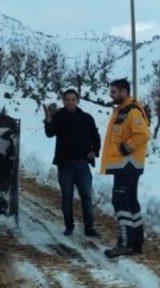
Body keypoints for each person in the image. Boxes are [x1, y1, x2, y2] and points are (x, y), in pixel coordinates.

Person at [100, 77, 150, 258]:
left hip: (127, 166)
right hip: (124, 166)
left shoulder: (132, 111)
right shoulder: (121, 110)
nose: (111, 95)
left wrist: (126, 147)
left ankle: (125, 243)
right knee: (131, 203)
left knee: (120, 203)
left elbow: (143, 134)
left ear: (123, 91)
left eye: (114, 92)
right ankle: (136, 244)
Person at [43, 89, 101, 237]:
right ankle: (69, 226)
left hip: (82, 164)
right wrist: (48, 120)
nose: (70, 102)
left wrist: (94, 151)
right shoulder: (58, 117)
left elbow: (96, 137)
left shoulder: (86, 118)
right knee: (67, 196)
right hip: (65, 164)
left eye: (73, 99)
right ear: (63, 100)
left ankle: (89, 228)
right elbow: (50, 133)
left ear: (77, 100)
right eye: (67, 99)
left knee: (86, 197)